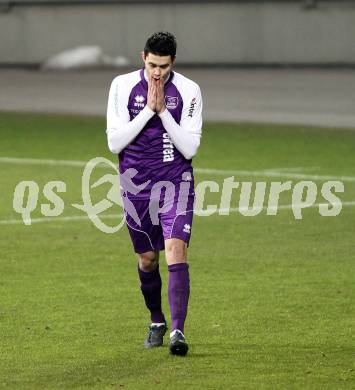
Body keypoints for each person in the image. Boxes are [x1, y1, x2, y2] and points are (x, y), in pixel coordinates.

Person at [106, 32, 203, 356]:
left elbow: (190, 148)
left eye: (162, 66)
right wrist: (150, 110)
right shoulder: (121, 86)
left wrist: (164, 113)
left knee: (176, 249)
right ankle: (157, 320)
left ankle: (178, 332)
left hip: (176, 182)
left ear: (172, 62)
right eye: (151, 65)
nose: (156, 72)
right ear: (142, 57)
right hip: (136, 186)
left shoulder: (189, 91)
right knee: (148, 260)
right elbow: (115, 143)